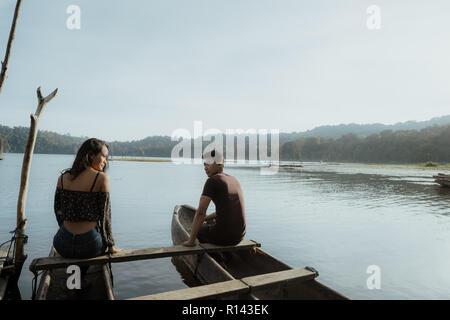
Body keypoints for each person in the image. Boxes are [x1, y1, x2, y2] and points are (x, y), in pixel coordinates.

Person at [53, 138, 120, 258]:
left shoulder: (62, 178)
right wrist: (111, 245)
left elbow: (58, 211)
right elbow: (105, 217)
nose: (105, 161)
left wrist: (64, 232)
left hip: (62, 243)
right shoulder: (101, 178)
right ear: (91, 156)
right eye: (104, 156)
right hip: (89, 243)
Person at [183, 149, 246, 247]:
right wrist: (207, 218)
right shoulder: (234, 180)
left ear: (220, 164)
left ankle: (210, 255)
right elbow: (226, 210)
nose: (205, 167)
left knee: (198, 231)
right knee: (208, 224)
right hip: (239, 236)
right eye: (204, 164)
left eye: (208, 164)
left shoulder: (212, 181)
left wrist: (191, 241)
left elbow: (200, 212)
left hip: (224, 237)